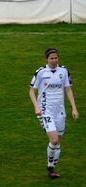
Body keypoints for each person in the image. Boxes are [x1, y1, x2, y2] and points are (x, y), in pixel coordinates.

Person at [29, 48, 79, 179]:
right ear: (46, 59)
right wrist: (36, 107)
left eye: (56, 58)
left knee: (57, 143)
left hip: (60, 111)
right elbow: (31, 91)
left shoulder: (64, 71)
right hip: (45, 110)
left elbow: (68, 89)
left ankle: (51, 167)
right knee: (54, 139)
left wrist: (74, 108)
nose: (54, 60)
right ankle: (51, 167)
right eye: (51, 58)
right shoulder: (40, 72)